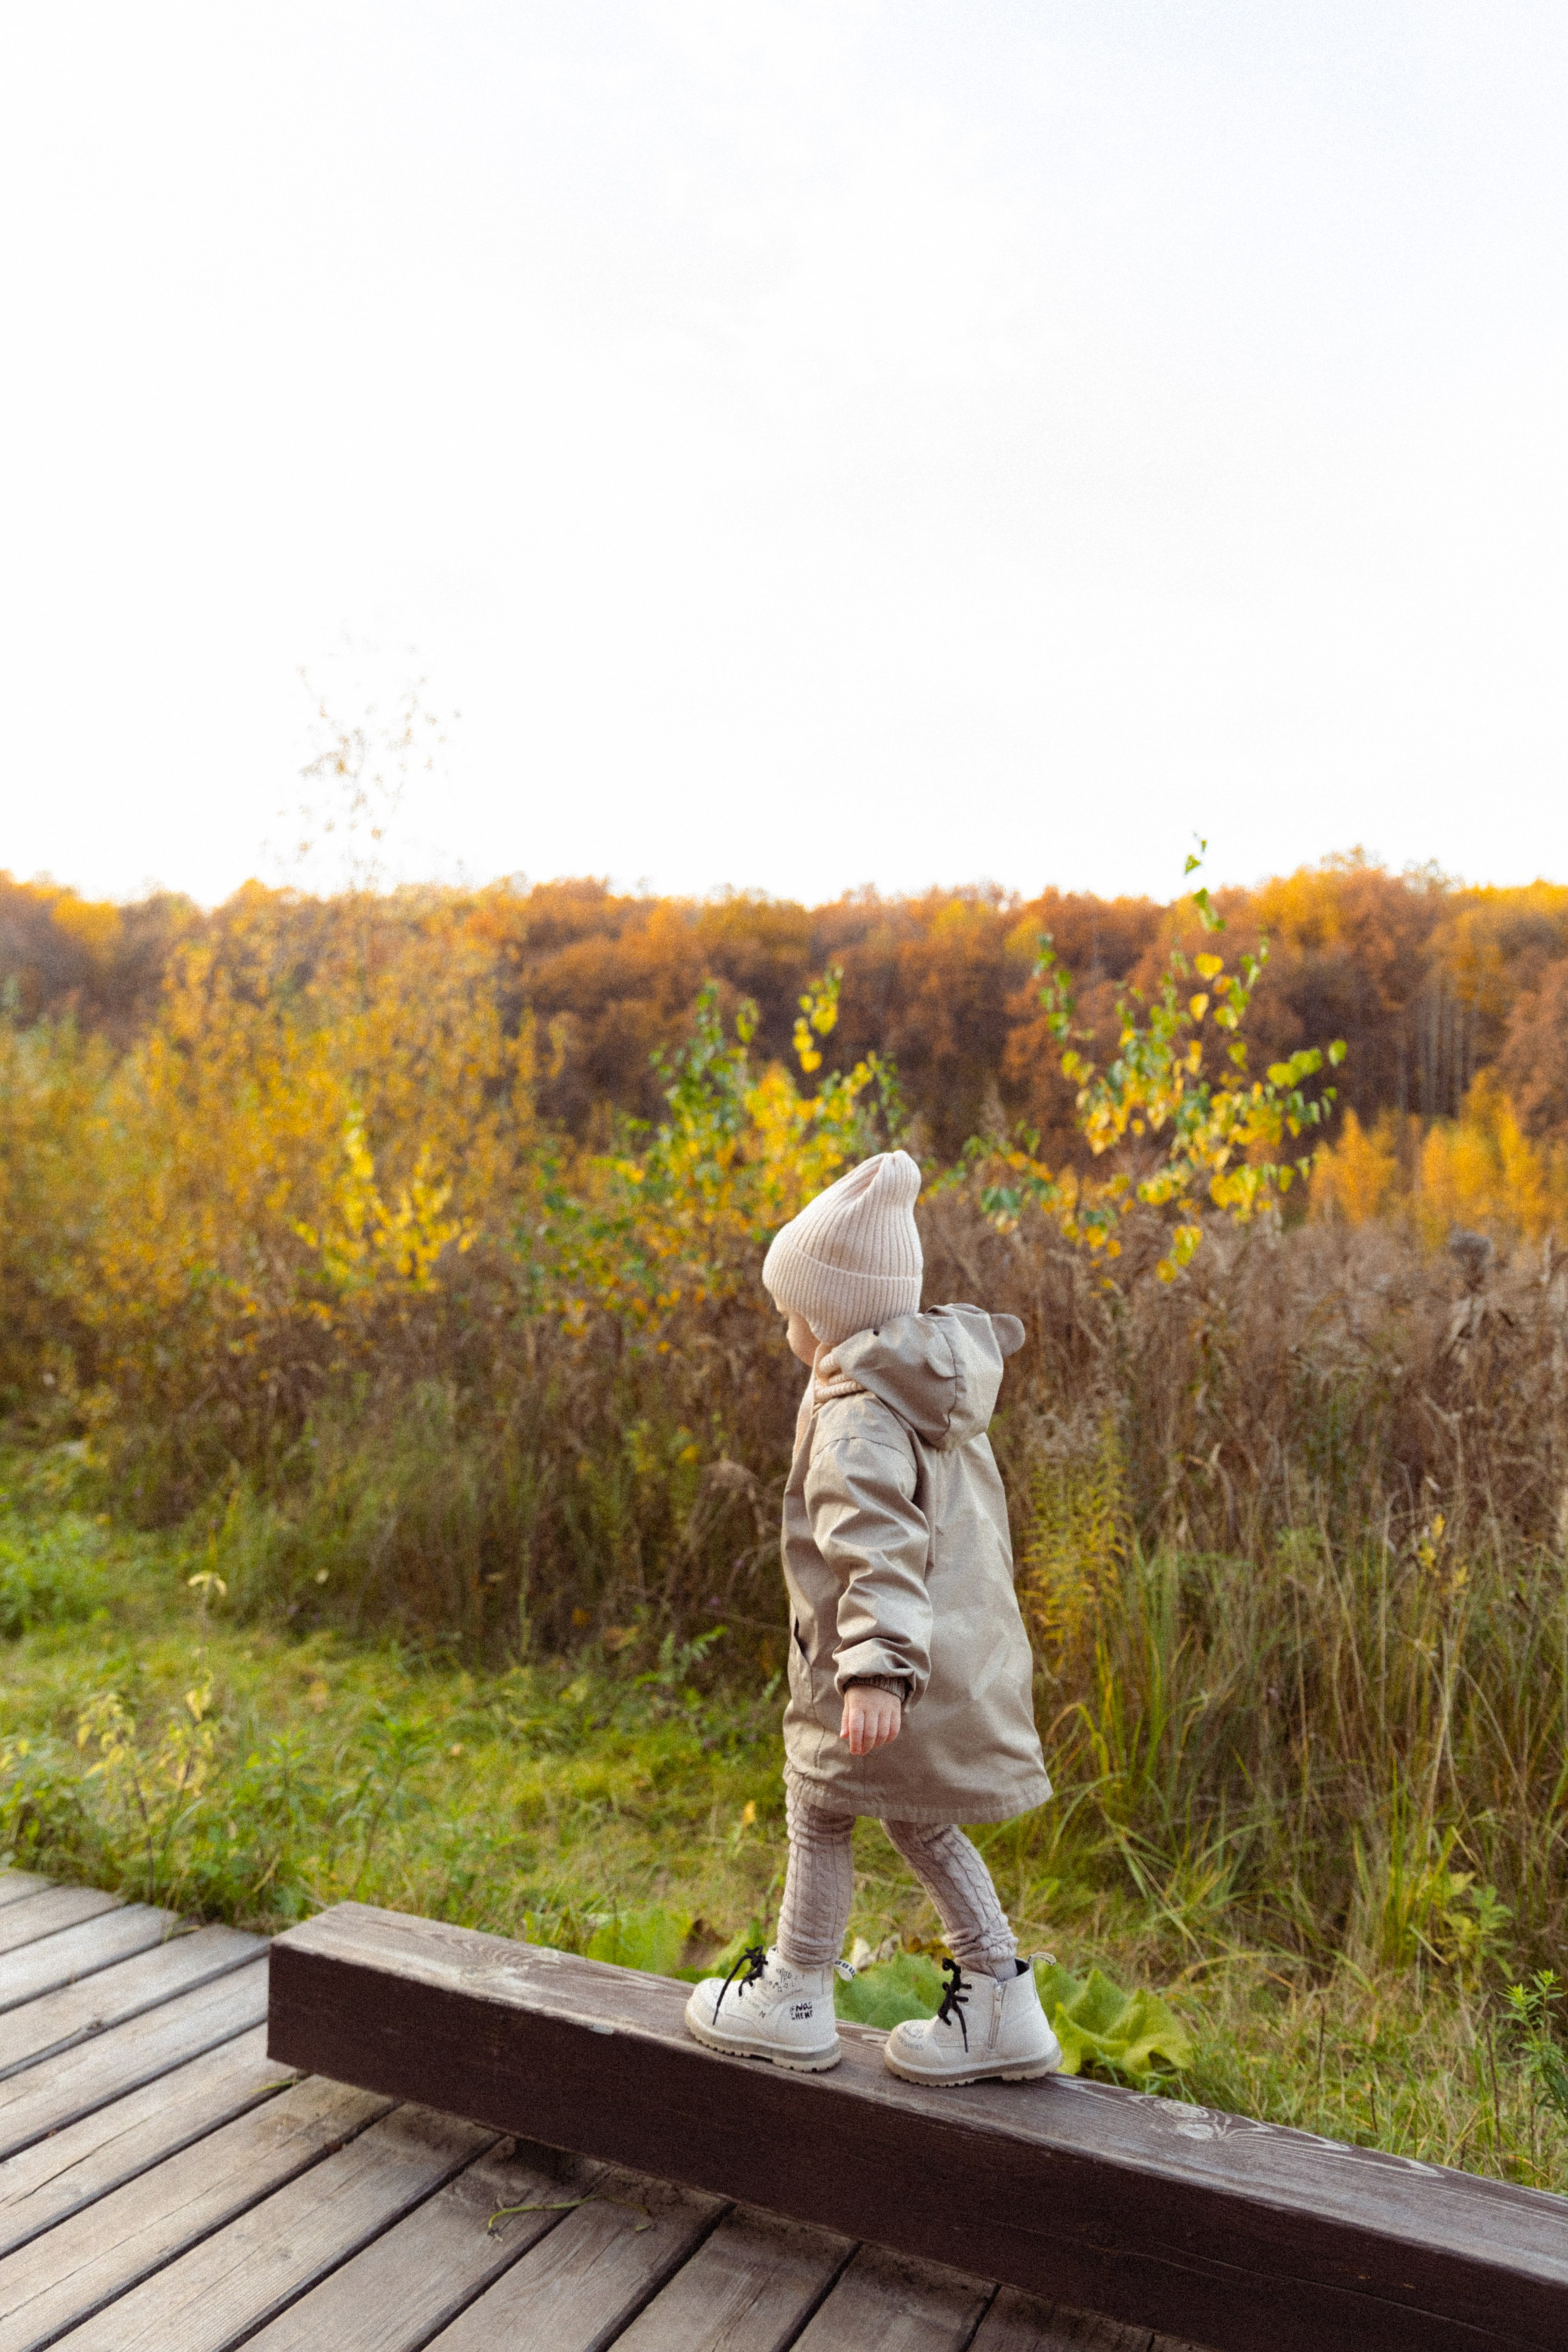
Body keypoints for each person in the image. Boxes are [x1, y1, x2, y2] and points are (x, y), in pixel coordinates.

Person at [684, 1148, 1061, 2085]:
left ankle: (800, 1993)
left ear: (836, 1314)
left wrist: (873, 1668)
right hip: (936, 1660)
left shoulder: (860, 1413)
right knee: (902, 1821)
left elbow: (878, 1544)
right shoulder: (918, 1382)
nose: (785, 1334)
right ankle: (996, 1998)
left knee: (822, 1808)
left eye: (793, 1314)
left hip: (882, 1668)